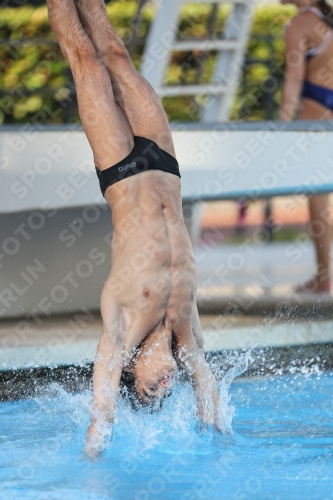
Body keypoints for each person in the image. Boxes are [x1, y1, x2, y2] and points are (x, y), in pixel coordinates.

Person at [46, 0, 221, 456]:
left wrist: (95, 447)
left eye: (148, 390)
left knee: (87, 62)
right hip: (166, 167)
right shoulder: (186, 333)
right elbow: (206, 389)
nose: (163, 386)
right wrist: (219, 438)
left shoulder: (122, 322)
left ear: (131, 371)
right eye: (164, 394)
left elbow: (101, 402)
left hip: (121, 170)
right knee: (119, 58)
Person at [279, 0, 333, 294]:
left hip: (316, 112)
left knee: (318, 199)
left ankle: (324, 276)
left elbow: (294, 80)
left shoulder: (299, 25)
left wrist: (281, 127)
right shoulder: (326, 20)